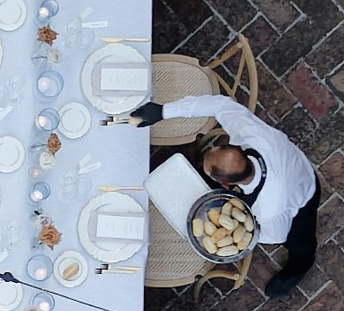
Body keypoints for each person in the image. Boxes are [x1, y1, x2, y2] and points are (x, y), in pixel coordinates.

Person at [127, 90, 320, 298]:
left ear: (226, 184)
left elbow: (277, 235)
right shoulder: (248, 132)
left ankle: (298, 270)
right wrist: (163, 111)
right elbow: (219, 105)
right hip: (283, 164)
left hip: (303, 193)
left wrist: (232, 226)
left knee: (301, 244)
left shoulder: (270, 209)